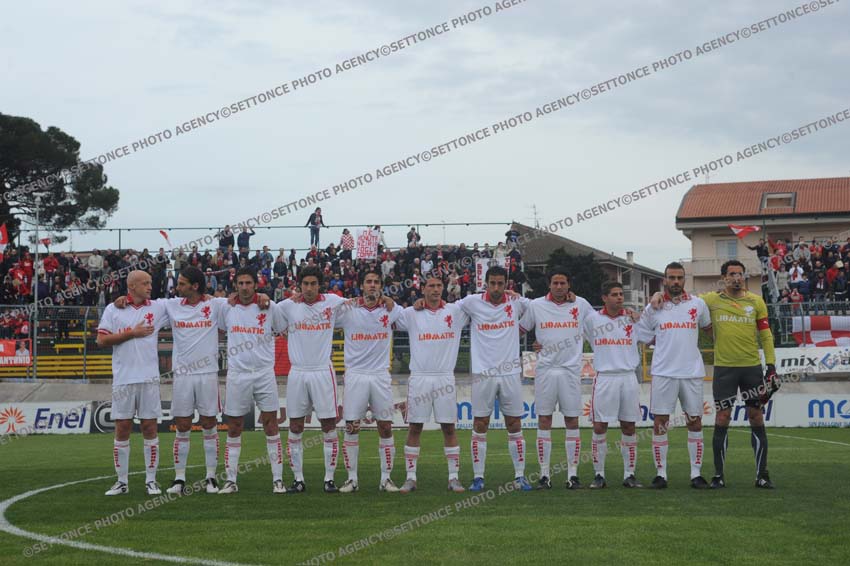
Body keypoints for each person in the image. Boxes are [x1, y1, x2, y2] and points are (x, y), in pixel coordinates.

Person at [650, 259, 778, 489]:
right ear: (724, 278)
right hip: (724, 368)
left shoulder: (756, 301)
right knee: (722, 417)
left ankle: (762, 474)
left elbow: (766, 335)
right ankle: (718, 475)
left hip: (751, 368)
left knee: (756, 416)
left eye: (740, 274)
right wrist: (658, 295)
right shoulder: (709, 300)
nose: (736, 278)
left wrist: (771, 365)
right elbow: (682, 298)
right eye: (732, 274)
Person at [429, 266, 532, 492]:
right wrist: (422, 303)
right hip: (482, 374)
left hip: (510, 373)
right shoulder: (471, 302)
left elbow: (542, 309)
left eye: (500, 283)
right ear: (486, 283)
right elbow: (443, 308)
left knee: (514, 424)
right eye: (492, 283)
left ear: (506, 284)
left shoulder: (517, 302)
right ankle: (478, 477)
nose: (496, 288)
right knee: (480, 424)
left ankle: (520, 476)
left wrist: (570, 297)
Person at [97, 270, 170, 496]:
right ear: (132, 286)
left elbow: (188, 304)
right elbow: (101, 340)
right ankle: (122, 482)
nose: (150, 286)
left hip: (149, 379)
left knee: (150, 427)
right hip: (123, 379)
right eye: (145, 283)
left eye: (150, 282)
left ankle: (151, 480)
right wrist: (133, 333)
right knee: (122, 428)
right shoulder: (113, 309)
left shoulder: (158, 307)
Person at [639, 263, 712, 489]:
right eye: (672, 278)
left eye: (680, 278)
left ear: (684, 280)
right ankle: (661, 474)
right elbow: (643, 335)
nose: (676, 282)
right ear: (665, 280)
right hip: (663, 373)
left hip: (691, 372)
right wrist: (662, 342)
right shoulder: (653, 307)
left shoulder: (698, 304)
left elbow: (708, 328)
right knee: (660, 423)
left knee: (695, 422)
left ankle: (696, 474)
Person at [518, 269, 592, 489]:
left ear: (569, 285)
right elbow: (519, 330)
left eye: (563, 283)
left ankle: (572, 475)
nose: (559, 287)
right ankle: (544, 475)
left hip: (570, 371)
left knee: (572, 421)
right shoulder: (536, 305)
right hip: (545, 370)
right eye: (555, 283)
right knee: (544, 421)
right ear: (549, 285)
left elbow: (600, 322)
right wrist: (532, 344)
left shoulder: (581, 305)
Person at [396, 275, 470, 493]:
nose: (435, 289)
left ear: (443, 288)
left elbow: (484, 306)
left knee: (449, 427)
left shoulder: (456, 311)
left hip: (445, 377)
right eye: (431, 286)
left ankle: (454, 477)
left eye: (439, 286)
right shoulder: (411, 313)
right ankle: (410, 477)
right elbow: (386, 315)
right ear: (423, 289)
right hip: (419, 377)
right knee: (415, 427)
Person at [216, 267, 287, 494]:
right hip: (238, 373)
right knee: (234, 426)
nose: (245, 287)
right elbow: (215, 322)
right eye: (241, 283)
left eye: (248, 283)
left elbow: (283, 329)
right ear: (235, 285)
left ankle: (278, 479)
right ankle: (230, 480)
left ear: (256, 285)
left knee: (271, 424)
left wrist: (266, 297)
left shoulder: (269, 306)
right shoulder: (226, 307)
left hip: (264, 373)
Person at [278, 265, 347, 493]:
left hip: (322, 371)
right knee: (295, 425)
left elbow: (360, 303)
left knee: (328, 425)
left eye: (313, 284)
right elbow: (267, 312)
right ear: (299, 285)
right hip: (297, 372)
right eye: (305, 284)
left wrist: (386, 299)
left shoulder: (332, 302)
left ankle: (329, 479)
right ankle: (298, 480)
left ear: (320, 285)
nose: (309, 288)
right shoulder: (288, 306)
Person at [334, 270, 400, 493]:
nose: (372, 285)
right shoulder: (348, 309)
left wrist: (391, 300)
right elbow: (324, 312)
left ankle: (386, 479)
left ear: (381, 286)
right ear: (361, 285)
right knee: (352, 427)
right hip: (356, 374)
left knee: (385, 426)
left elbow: (416, 314)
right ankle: (351, 479)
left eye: (376, 282)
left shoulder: (391, 309)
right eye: (368, 281)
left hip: (380, 374)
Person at [583, 281, 652, 489]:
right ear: (604, 298)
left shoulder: (632, 319)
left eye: (621, 294)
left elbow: (651, 337)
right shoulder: (592, 319)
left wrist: (640, 317)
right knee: (599, 426)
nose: (619, 297)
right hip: (605, 377)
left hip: (628, 377)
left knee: (629, 426)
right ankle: (599, 475)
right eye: (614, 294)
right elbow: (573, 334)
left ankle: (629, 474)